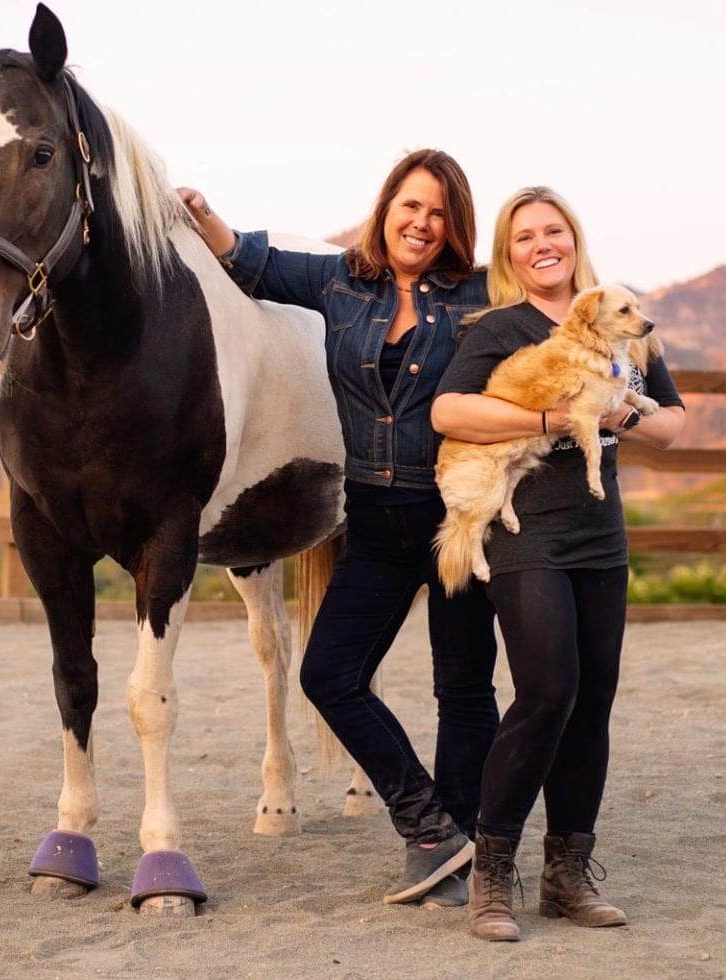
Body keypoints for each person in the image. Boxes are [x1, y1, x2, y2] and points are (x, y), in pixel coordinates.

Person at [179, 148, 499, 909]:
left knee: (462, 685)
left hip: (460, 517)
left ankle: (463, 839)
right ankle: (428, 826)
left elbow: (557, 314)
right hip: (376, 521)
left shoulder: (483, 294)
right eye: (409, 206)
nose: (420, 223)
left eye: (437, 213)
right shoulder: (338, 283)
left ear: (453, 226)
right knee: (328, 674)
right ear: (385, 208)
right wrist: (198, 213)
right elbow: (250, 264)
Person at [431, 186, 685, 941]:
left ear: (572, 238)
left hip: (599, 537)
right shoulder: (498, 327)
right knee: (546, 691)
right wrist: (550, 418)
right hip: (527, 534)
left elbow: (670, 426)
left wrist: (622, 413)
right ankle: (490, 873)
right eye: (522, 238)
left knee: (591, 703)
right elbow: (449, 411)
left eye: (552, 231)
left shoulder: (625, 321)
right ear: (509, 255)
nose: (541, 245)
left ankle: (566, 877)